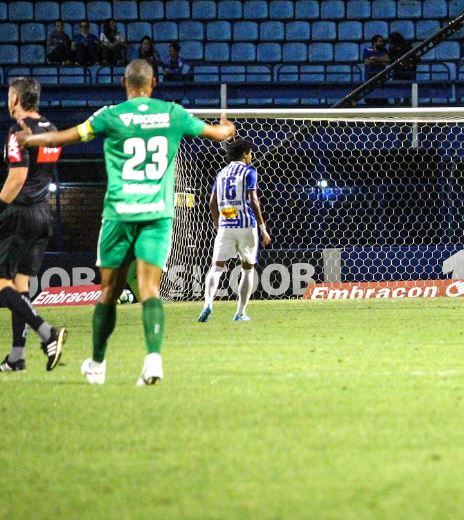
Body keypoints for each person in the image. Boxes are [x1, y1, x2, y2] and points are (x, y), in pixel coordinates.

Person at [15, 60, 236, 385]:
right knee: (149, 289)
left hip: (119, 214)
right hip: (156, 216)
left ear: (124, 83)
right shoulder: (172, 113)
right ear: (154, 83)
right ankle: (153, 361)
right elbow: (219, 134)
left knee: (108, 291)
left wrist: (32, 141)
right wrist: (226, 128)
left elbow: (67, 136)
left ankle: (98, 364)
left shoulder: (111, 115)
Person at [0, 78, 67, 373]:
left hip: (19, 214)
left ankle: (47, 332)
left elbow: (17, 177)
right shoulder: (51, 129)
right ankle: (16, 357)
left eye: (9, 94)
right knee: (21, 285)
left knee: (2, 283)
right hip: (42, 214)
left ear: (16, 98)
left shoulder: (18, 132)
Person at [198, 139, 270, 323]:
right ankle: (240, 313)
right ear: (245, 153)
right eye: (251, 153)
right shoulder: (249, 172)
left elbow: (212, 202)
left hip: (226, 226)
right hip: (246, 225)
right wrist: (263, 229)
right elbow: (253, 200)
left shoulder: (221, 173)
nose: (252, 156)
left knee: (216, 267)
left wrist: (217, 224)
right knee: (247, 269)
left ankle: (207, 304)